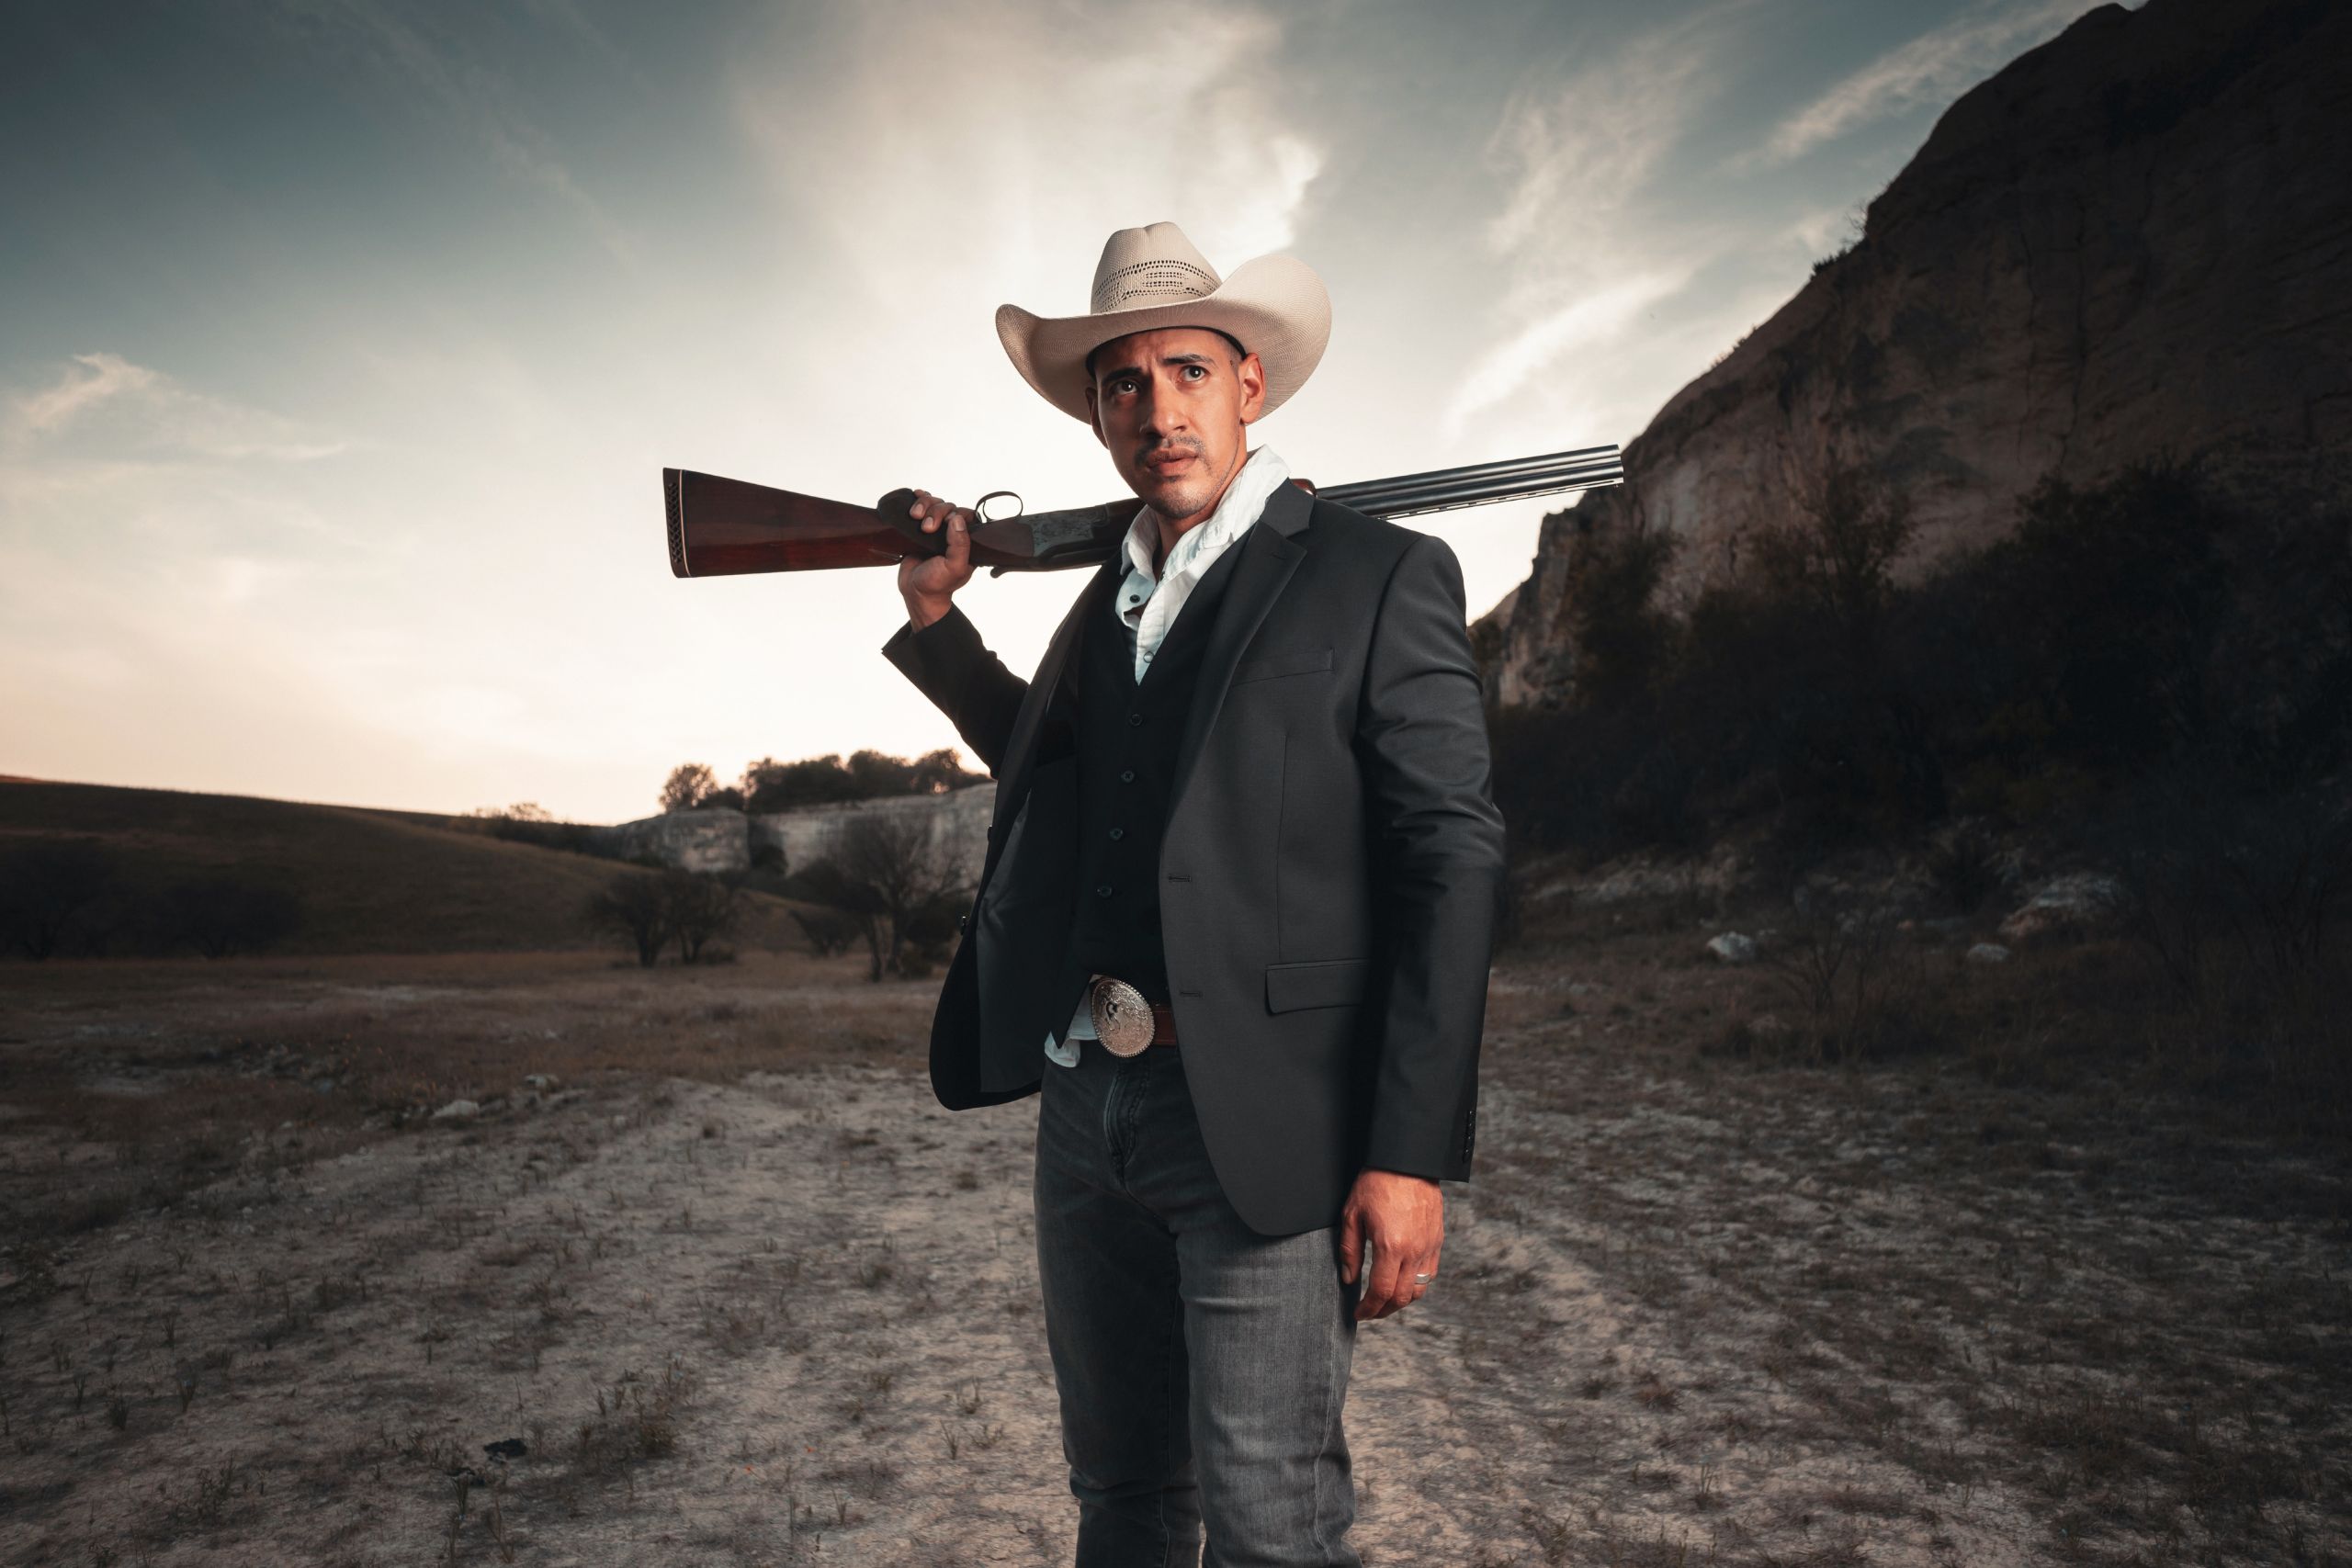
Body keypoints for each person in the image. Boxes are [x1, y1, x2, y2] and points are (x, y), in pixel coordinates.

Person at [880, 220, 1505, 1567]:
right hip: (1084, 1102)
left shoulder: (1375, 573)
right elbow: (1062, 780)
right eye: (1124, 383)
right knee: (1121, 1505)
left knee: (1272, 1523)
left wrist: (1406, 1150)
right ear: (1100, 412)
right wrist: (939, 626)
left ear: (1248, 387)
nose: (1158, 410)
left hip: (1260, 1123)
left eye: (1187, 372)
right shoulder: (1105, 591)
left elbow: (1452, 862)